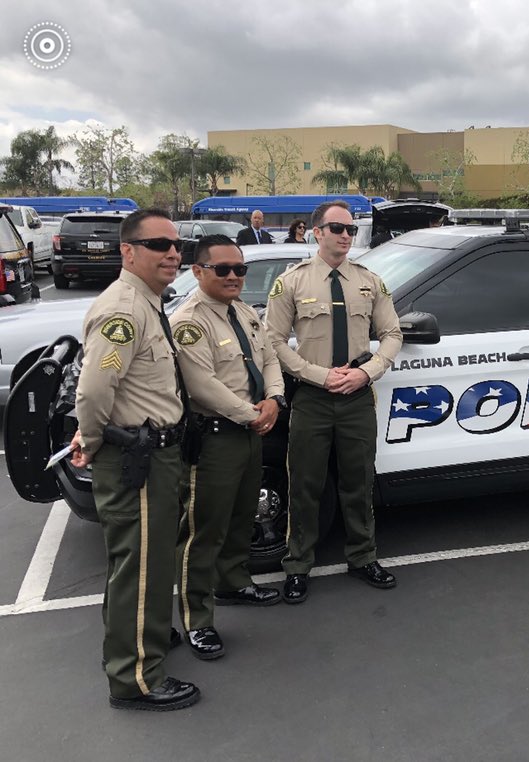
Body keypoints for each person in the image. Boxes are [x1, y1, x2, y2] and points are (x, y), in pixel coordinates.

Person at [69, 208, 200, 711]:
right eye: (158, 245)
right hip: (135, 460)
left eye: (176, 245)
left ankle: (138, 637)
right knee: (141, 567)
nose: (172, 253)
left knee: (143, 560)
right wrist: (95, 440)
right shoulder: (124, 311)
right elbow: (95, 388)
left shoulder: (148, 302)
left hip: (155, 454)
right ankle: (135, 679)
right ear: (128, 251)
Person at [264, 200, 404, 603]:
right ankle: (297, 566)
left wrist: (369, 370)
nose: (346, 235)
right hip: (312, 396)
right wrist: (317, 375)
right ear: (316, 232)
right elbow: (272, 340)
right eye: (337, 228)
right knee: (304, 484)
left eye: (350, 229)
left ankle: (363, 557)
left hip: (358, 396)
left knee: (358, 481)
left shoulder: (369, 281)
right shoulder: (291, 282)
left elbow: (392, 333)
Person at [170, 235, 287, 660]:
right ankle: (197, 620)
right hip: (217, 437)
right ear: (198, 272)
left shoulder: (244, 312)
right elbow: (201, 384)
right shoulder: (190, 321)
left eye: (240, 269)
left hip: (250, 432)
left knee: (242, 516)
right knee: (204, 530)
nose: (234, 276)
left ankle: (234, 582)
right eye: (223, 270)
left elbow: (270, 356)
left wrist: (274, 398)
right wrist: (251, 413)